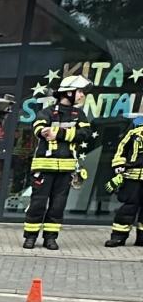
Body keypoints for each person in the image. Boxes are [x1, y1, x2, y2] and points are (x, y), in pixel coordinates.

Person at [22, 75, 93, 250]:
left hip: (66, 168)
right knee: (38, 203)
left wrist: (59, 133)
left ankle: (50, 238)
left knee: (58, 206)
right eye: (80, 91)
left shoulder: (80, 115)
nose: (82, 95)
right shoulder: (47, 112)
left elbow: (85, 134)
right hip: (44, 167)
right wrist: (60, 132)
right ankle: (30, 237)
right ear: (68, 92)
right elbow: (39, 129)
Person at [104, 115, 143, 247]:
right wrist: (119, 165)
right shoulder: (136, 125)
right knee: (128, 207)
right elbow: (122, 146)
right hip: (132, 175)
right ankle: (118, 237)